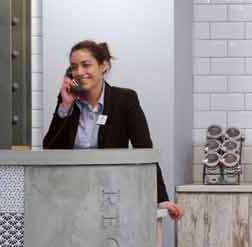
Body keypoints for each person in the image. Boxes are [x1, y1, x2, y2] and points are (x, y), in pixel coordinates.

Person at [43, 40, 183, 220]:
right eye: (74, 67)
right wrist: (65, 107)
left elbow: (145, 151)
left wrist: (161, 199)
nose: (79, 73)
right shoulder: (68, 102)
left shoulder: (124, 99)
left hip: (110, 195)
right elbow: (50, 150)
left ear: (104, 66)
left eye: (86, 65)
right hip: (71, 196)